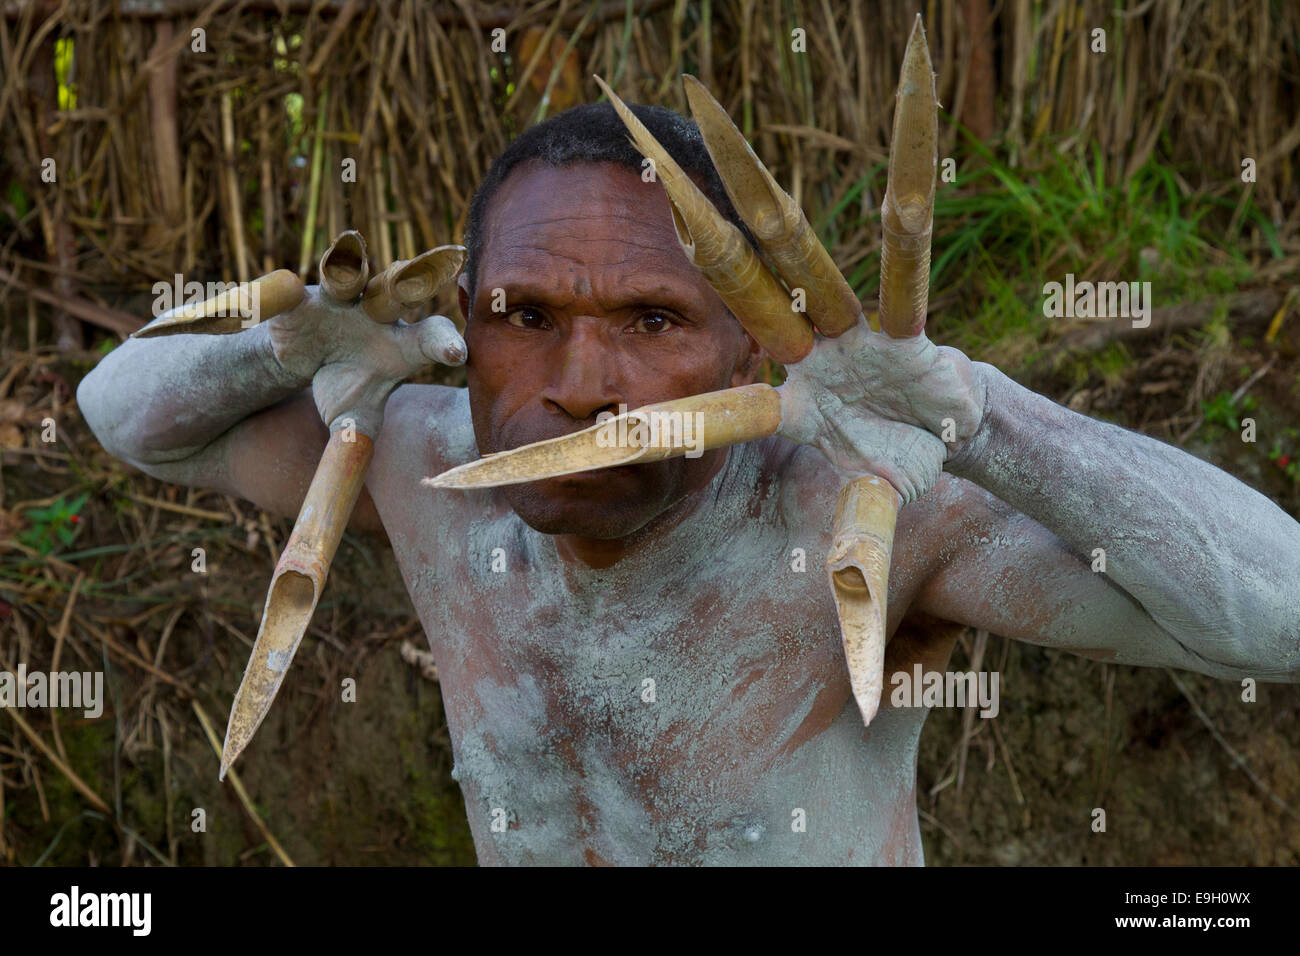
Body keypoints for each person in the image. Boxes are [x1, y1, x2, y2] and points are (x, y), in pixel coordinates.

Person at [78, 102, 1300, 865]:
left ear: (750, 346)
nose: (583, 379)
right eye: (526, 313)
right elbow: (124, 416)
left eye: (654, 319)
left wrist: (977, 412)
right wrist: (291, 339)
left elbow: (1279, 615)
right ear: (462, 319)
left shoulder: (860, 511)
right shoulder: (422, 460)